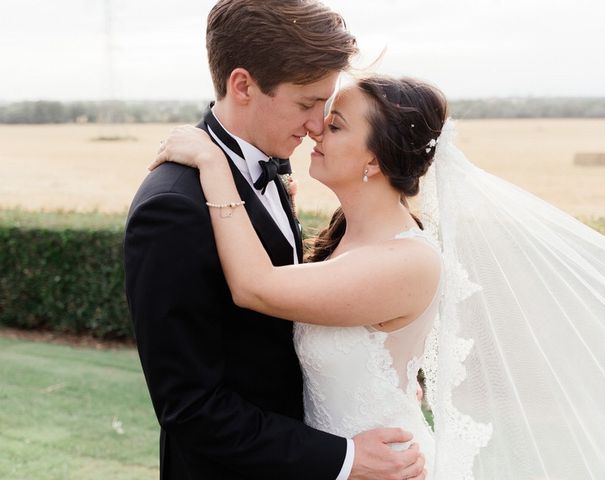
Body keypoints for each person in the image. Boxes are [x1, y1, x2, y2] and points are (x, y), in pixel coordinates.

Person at [153, 74, 605, 479]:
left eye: (337, 125)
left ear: (375, 160)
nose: (317, 130)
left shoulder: (404, 262)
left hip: (383, 466)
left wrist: (213, 163)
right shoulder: (349, 235)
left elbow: (255, 286)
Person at [124, 1, 426, 479]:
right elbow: (191, 408)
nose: (314, 127)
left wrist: (388, 376)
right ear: (243, 85)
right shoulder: (173, 207)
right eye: (306, 104)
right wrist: (345, 459)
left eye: (325, 110)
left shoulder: (269, 167)